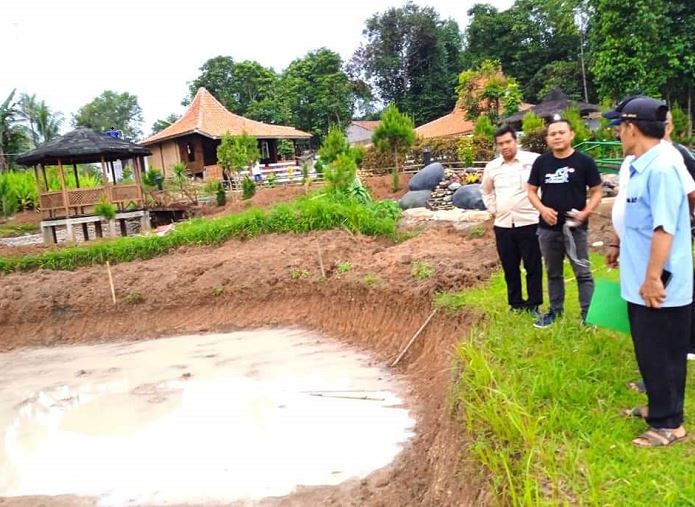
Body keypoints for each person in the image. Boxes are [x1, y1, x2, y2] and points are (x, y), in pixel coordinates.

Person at [604, 96, 692, 446]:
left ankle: (670, 424)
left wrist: (654, 277)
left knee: (664, 352)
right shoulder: (641, 165)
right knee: (650, 351)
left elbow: (664, 228)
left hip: (659, 283)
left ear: (631, 128)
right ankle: (658, 408)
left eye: (619, 128)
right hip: (641, 280)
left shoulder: (663, 168)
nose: (618, 134)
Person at [527, 118, 603, 327]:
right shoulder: (542, 162)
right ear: (547, 139)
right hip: (547, 228)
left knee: (583, 272)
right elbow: (531, 191)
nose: (557, 137)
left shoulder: (584, 162)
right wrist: (542, 209)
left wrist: (586, 212)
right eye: (553, 134)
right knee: (553, 272)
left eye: (561, 132)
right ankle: (555, 311)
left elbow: (597, 191)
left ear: (571, 135)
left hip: (575, 228)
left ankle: (588, 316)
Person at [481, 126, 542, 313]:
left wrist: (542, 207)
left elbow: (544, 186)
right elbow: (486, 190)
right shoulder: (492, 167)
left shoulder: (533, 161)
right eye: (501, 144)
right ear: (497, 146)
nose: (505, 146)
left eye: (508, 142)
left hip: (530, 222)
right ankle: (515, 303)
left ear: (516, 141)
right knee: (510, 266)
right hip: (503, 225)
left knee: (533, 266)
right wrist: (494, 209)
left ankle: (533, 304)